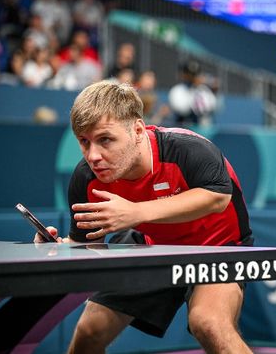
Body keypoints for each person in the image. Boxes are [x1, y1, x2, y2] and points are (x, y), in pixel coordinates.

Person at [34, 80, 254, 353]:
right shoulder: (86, 179)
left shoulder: (186, 149)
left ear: (137, 130)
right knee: (89, 332)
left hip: (218, 247)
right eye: (84, 141)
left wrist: (136, 211)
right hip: (151, 244)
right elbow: (86, 244)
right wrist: (57, 249)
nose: (93, 155)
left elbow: (219, 197)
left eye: (105, 140)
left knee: (208, 323)